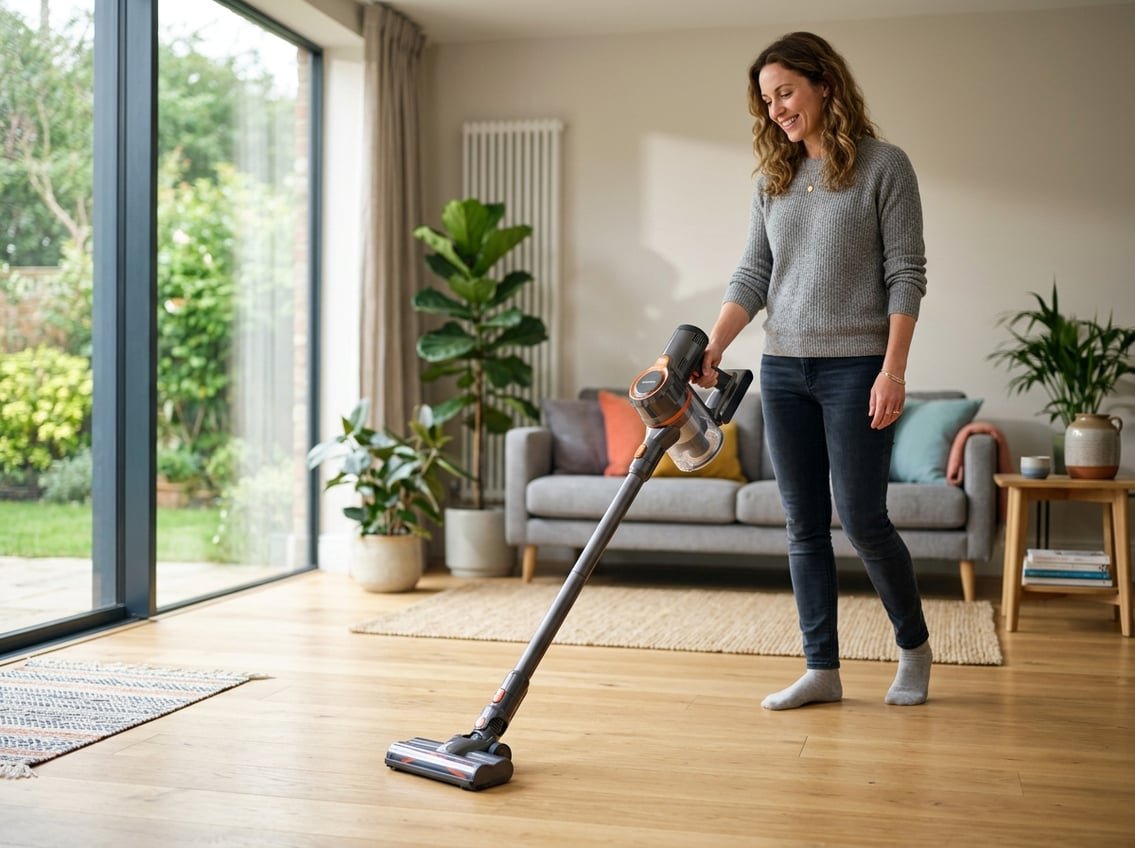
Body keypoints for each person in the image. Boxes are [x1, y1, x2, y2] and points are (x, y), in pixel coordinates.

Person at [694, 31, 932, 709]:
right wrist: (716, 345)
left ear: (825, 85)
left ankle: (913, 647)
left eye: (786, 92)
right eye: (767, 100)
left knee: (862, 520)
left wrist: (892, 371)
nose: (776, 110)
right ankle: (821, 669)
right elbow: (753, 273)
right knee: (802, 525)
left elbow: (906, 274)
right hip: (783, 369)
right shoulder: (774, 180)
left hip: (856, 368)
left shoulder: (885, 166)